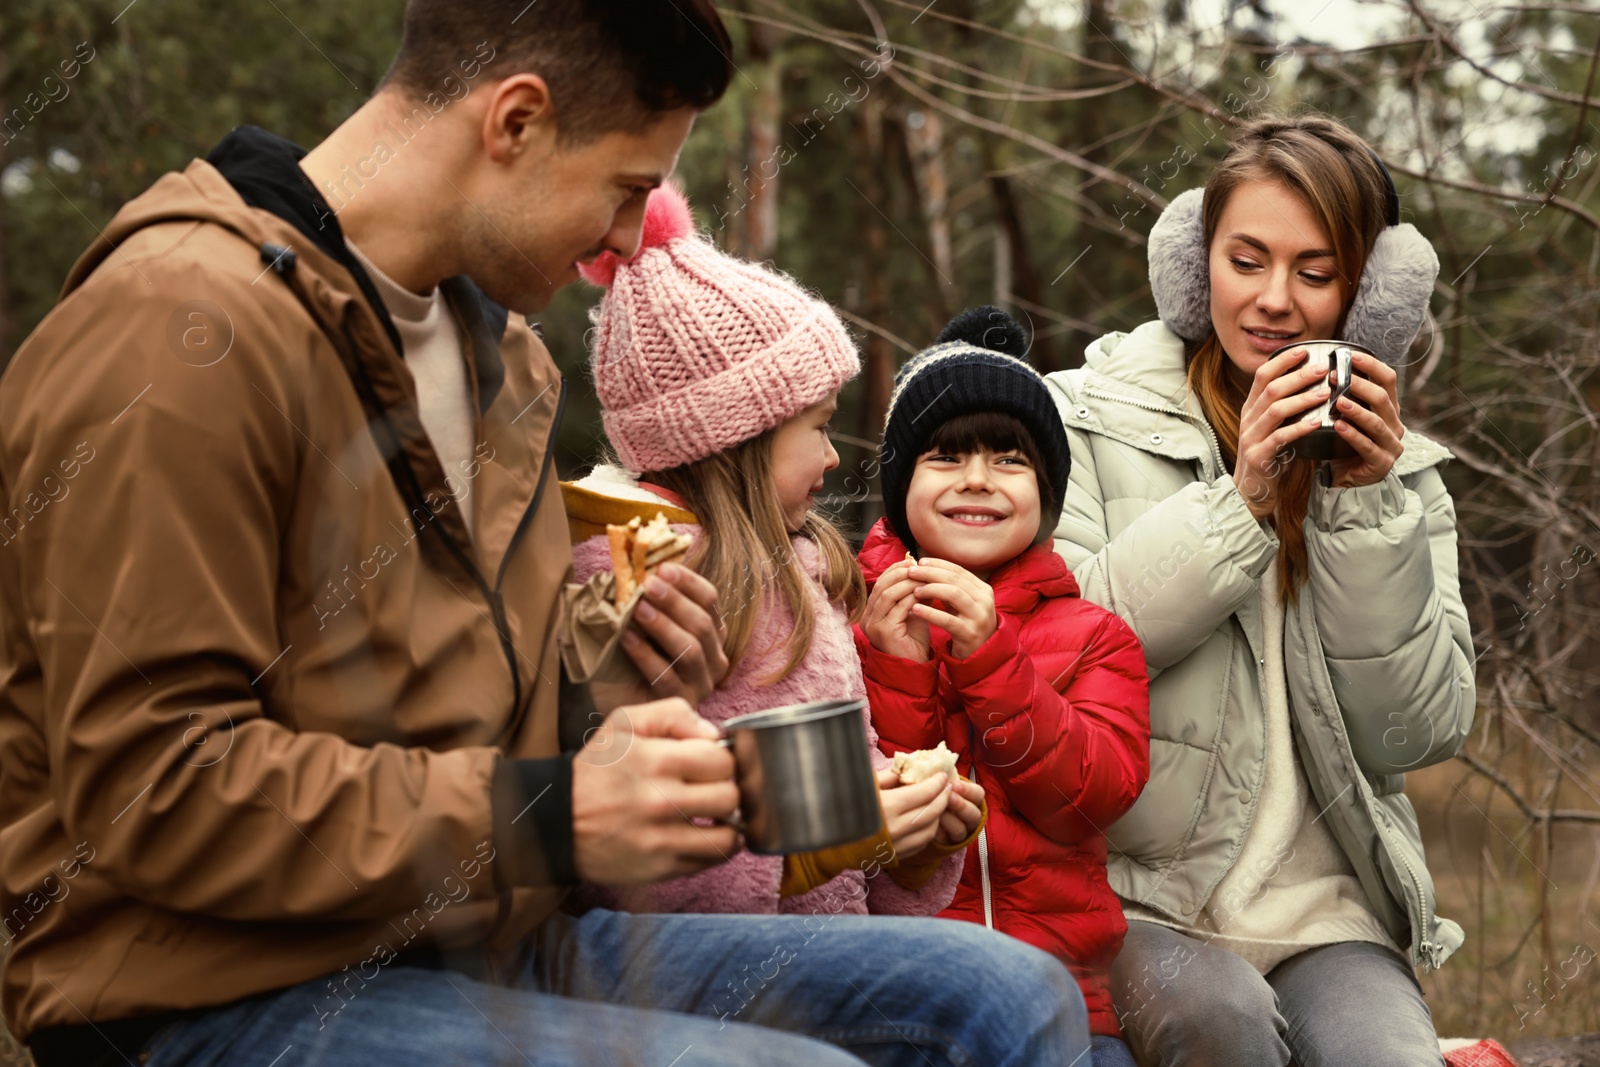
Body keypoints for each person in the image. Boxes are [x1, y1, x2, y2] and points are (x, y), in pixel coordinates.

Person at [0, 2, 1089, 1064]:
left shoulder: (503, 367)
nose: (626, 241)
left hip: (490, 938)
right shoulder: (178, 330)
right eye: (628, 191)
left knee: (1007, 992)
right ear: (514, 121)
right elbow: (156, 788)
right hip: (217, 994)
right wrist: (548, 811)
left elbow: (480, 714)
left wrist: (611, 681)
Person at [1044, 113, 1475, 1066]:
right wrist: (1239, 505)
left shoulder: (1405, 482)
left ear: (1370, 300)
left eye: (1316, 275)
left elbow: (1419, 730)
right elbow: (1062, 652)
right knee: (1220, 1026)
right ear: (1196, 269)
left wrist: (1363, 514)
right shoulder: (1077, 416)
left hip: (1328, 917)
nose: (1274, 300)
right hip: (1131, 895)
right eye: (1246, 260)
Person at [560, 185, 986, 922]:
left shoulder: (801, 569)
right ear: (736, 437)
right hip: (710, 986)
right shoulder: (640, 590)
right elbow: (636, 855)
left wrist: (908, 840)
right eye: (817, 427)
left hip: (822, 948)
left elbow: (833, 793)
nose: (831, 456)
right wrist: (824, 848)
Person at [855, 307, 1152, 1067]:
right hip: (903, 997)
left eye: (1010, 458)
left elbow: (1091, 793)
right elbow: (873, 827)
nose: (978, 480)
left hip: (1067, 1001)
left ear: (1047, 493)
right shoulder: (843, 629)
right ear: (900, 484)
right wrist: (898, 666)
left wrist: (991, 656)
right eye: (946, 458)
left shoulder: (1096, 635)